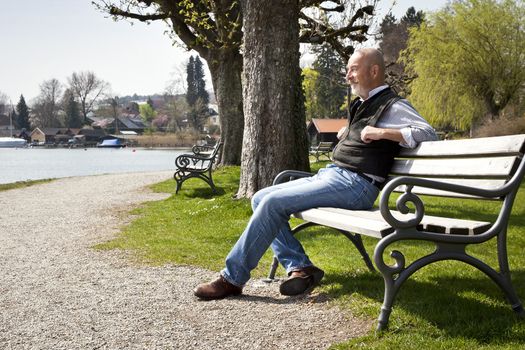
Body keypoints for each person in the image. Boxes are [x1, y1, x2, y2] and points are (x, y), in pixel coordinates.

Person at [194, 48, 438, 300]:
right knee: (259, 197)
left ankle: (232, 278)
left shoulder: (394, 105)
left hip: (357, 184)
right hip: (335, 175)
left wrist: (382, 133)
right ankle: (300, 267)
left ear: (374, 71)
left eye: (353, 69)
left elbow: (428, 133)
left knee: (272, 203)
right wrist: (350, 132)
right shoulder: (363, 104)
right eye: (347, 71)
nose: (348, 76)